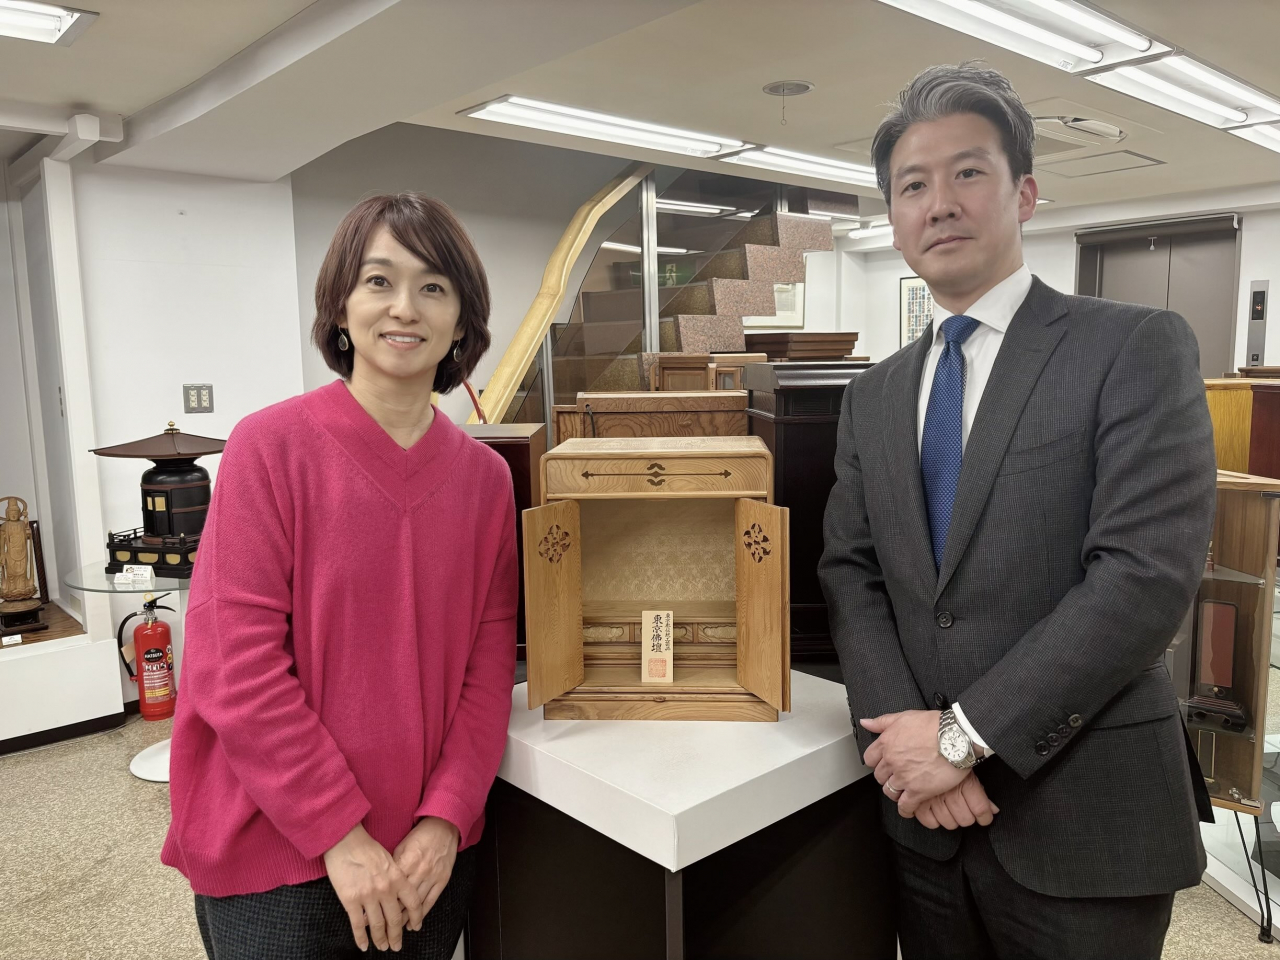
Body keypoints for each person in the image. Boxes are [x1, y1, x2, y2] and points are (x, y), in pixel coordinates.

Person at [818, 63, 1216, 960]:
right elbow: (852, 573)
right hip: (923, 826)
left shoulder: (1132, 347)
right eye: (912, 186)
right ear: (894, 218)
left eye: (968, 173)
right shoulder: (873, 396)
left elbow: (1143, 577)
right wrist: (907, 746)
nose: (940, 203)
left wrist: (963, 739)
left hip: (1084, 820)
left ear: (1024, 194)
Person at [162, 193, 518, 959]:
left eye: (433, 286)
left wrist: (447, 816)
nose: (404, 307)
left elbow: (488, 672)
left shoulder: (486, 481)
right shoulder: (269, 448)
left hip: (426, 855)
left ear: (462, 321)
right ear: (341, 307)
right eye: (378, 280)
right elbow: (235, 665)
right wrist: (338, 832)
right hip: (281, 851)